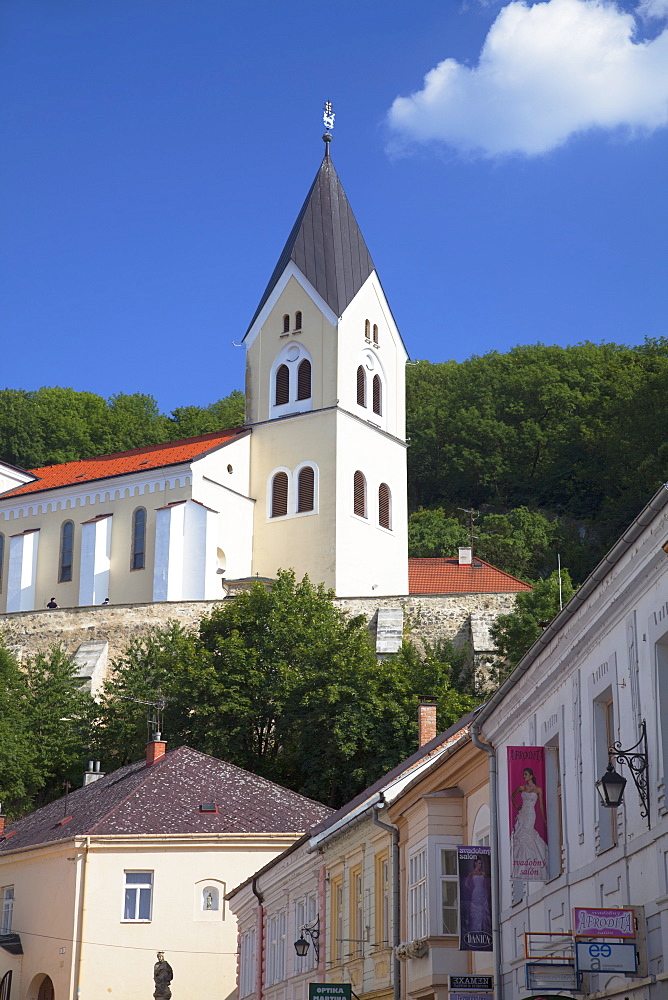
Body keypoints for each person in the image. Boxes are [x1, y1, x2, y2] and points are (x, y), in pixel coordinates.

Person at [511, 766, 548, 879]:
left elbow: (541, 805)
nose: (524, 776)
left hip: (531, 814)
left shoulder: (538, 790)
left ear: (531, 776)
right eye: (523, 774)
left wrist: (544, 820)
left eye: (526, 774)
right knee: (520, 836)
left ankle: (534, 862)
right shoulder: (522, 788)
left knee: (528, 834)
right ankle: (523, 865)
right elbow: (512, 796)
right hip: (522, 813)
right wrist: (517, 805)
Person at [463, 855, 492, 935]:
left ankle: (483, 928)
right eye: (479, 863)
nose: (480, 865)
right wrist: (472, 889)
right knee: (476, 910)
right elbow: (466, 884)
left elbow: (486, 883)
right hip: (476, 891)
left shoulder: (483, 873)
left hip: (482, 891)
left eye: (481, 863)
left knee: (484, 909)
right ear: (475, 863)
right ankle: (476, 929)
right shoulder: (471, 873)